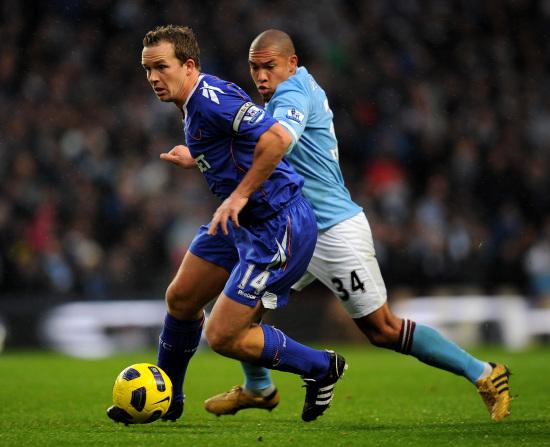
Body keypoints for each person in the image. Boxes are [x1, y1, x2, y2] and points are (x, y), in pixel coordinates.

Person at [201, 29, 512, 422]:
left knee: (382, 329)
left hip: (332, 231)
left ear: (291, 64)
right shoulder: (292, 88)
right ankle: (259, 388)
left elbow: (278, 142)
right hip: (293, 230)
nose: (261, 76)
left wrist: (234, 185)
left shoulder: (292, 93)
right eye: (254, 67)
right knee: (239, 310)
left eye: (269, 67)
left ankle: (485, 372)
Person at [106, 25, 347, 425]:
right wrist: (197, 156)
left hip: (277, 222)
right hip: (242, 221)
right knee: (181, 298)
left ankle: (322, 367)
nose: (152, 77)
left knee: (222, 335)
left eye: (161, 67)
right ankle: (168, 397)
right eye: (147, 69)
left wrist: (239, 195)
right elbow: (236, 145)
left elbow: (274, 138)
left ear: (188, 66)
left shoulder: (210, 99)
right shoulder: (192, 103)